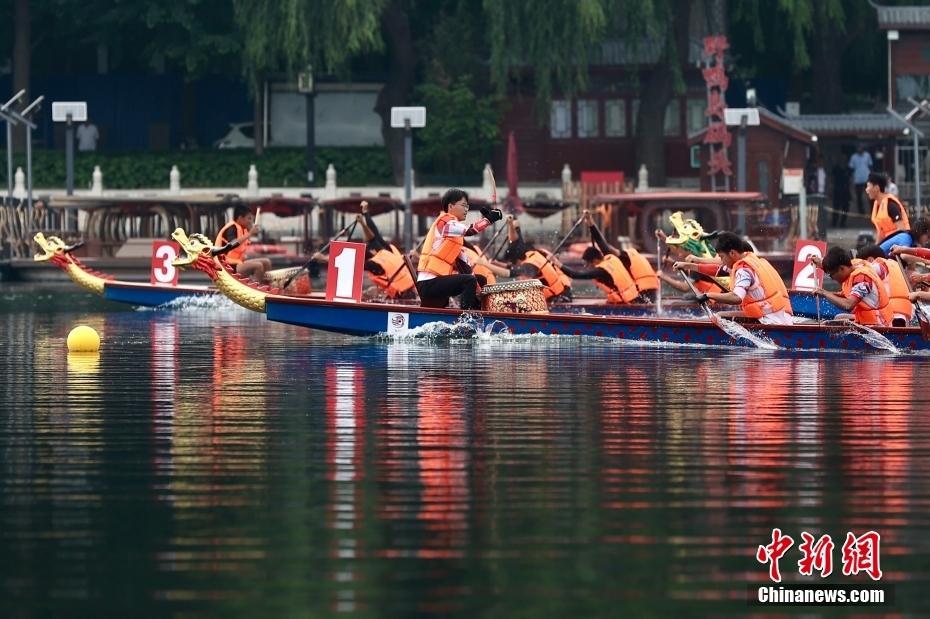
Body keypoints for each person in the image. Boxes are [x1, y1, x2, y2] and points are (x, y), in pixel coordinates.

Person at [677, 232, 793, 325]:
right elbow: (717, 271)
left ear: (732, 253)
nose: (721, 261)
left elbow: (736, 298)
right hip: (781, 316)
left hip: (770, 320)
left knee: (719, 316)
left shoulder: (743, 270)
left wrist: (708, 295)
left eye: (722, 257)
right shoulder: (751, 259)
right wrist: (688, 265)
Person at [417, 188, 503, 309]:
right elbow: (469, 230)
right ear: (450, 206)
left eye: (467, 206)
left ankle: (478, 315)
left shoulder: (455, 238)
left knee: (479, 279)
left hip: (438, 283)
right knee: (469, 281)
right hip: (428, 284)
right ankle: (465, 319)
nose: (466, 209)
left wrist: (479, 290)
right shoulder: (445, 221)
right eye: (463, 205)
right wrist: (488, 220)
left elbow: (465, 266)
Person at [580, 210, 659, 302]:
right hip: (653, 293)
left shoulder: (623, 258)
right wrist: (591, 223)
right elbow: (604, 246)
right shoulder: (631, 255)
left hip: (643, 295)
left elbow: (604, 246)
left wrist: (591, 223)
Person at [813, 246, 892, 325]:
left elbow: (848, 305)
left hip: (880, 322)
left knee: (831, 324)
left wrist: (824, 293)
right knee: (839, 318)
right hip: (867, 319)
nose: (832, 278)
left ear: (842, 269)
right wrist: (822, 264)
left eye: (831, 275)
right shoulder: (856, 264)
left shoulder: (862, 279)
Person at [504, 216, 573, 301]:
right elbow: (515, 241)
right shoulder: (536, 253)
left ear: (518, 260)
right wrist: (511, 224)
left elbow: (510, 273)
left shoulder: (529, 264)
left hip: (558, 297)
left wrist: (487, 265)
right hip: (564, 288)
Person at [853, 244, 912, 327]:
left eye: (862, 263)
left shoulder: (880, 265)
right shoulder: (894, 264)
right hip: (902, 314)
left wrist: (850, 269)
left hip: (891, 316)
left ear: (870, 260)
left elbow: (867, 271)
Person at [215, 204, 272, 281]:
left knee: (266, 262)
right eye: (249, 218)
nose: (250, 221)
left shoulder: (243, 229)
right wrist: (249, 234)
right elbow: (232, 244)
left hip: (236, 262)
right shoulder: (231, 228)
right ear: (240, 218)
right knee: (258, 266)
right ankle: (255, 289)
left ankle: (267, 287)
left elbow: (242, 247)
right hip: (225, 264)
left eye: (252, 219)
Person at [866, 172, 911, 255]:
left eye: (868, 186)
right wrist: (875, 248)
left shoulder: (890, 204)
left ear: (876, 188)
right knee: (870, 254)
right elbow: (880, 233)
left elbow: (901, 229)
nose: (866, 190)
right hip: (889, 241)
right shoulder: (877, 204)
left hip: (901, 240)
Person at [848, 145, 873, 216]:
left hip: (867, 178)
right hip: (858, 179)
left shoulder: (867, 155)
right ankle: (861, 211)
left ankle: (872, 210)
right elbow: (851, 168)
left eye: (861, 149)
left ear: (863, 149)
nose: (860, 150)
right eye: (858, 149)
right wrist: (851, 178)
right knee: (859, 196)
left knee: (870, 195)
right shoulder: (853, 157)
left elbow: (870, 166)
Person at [831, 162, 851, 227]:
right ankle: (834, 223)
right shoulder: (836, 168)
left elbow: (850, 180)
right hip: (837, 191)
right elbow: (832, 178)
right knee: (836, 208)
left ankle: (842, 223)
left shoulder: (848, 169)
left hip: (845, 192)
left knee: (845, 208)